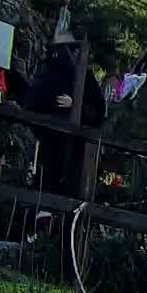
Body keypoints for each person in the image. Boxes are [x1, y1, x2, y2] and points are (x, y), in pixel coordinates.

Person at [23, 35, 105, 199]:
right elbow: (33, 103)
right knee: (48, 184)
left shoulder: (84, 77)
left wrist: (77, 106)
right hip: (50, 140)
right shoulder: (48, 71)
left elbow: (97, 113)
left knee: (68, 187)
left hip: (75, 146)